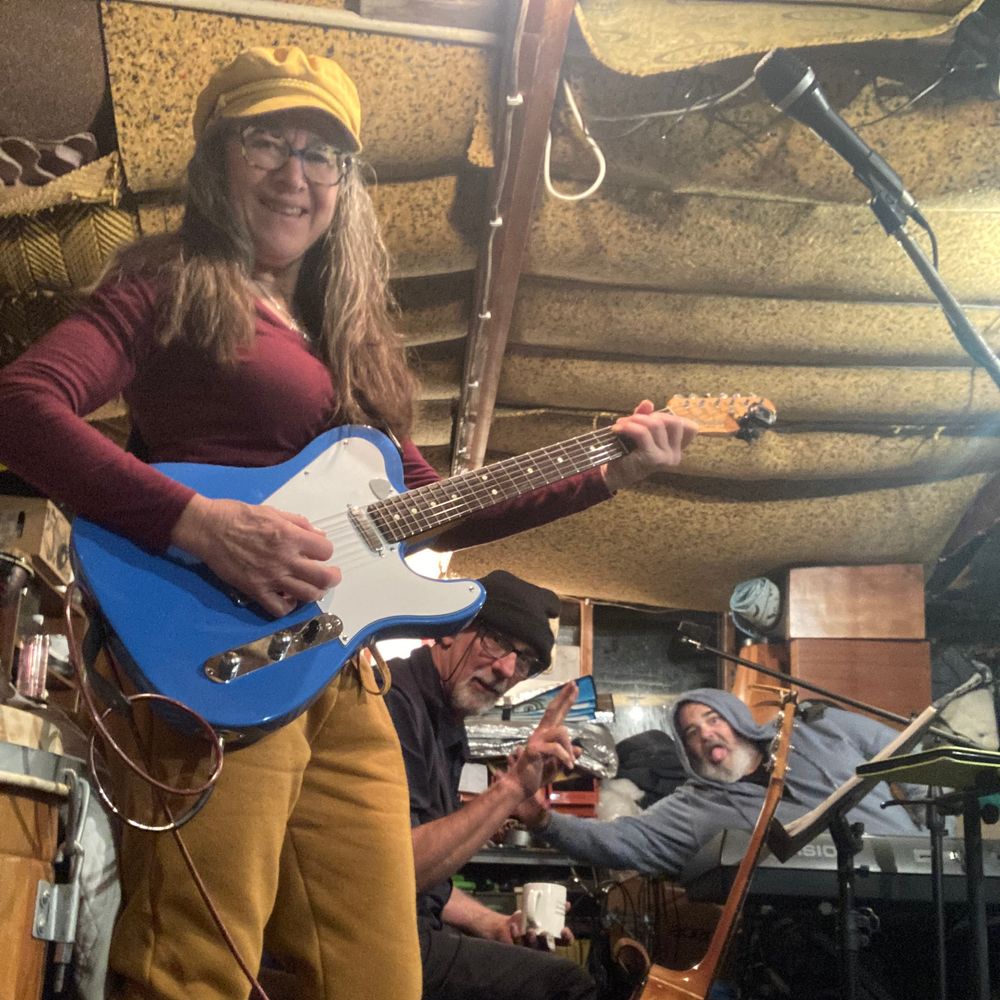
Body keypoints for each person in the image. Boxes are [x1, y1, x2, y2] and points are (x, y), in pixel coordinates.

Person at [0, 45, 696, 1000]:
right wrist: (198, 523)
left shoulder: (347, 335)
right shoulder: (167, 280)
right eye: (267, 143)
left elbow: (448, 500)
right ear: (218, 160)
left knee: (379, 976)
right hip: (215, 664)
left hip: (346, 678)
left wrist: (608, 470)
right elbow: (23, 401)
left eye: (321, 153)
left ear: (346, 181)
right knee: (192, 965)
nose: (296, 175)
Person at [384, 569, 596, 1000]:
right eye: (495, 639)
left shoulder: (446, 722)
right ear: (448, 630)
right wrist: (513, 789)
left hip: (407, 930)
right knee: (567, 985)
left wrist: (492, 924)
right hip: (373, 944)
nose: (506, 669)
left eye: (526, 661)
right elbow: (396, 872)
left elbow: (429, 885)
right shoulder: (392, 700)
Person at [517, 688, 924, 879]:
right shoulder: (690, 808)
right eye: (692, 731)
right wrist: (543, 821)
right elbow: (618, 840)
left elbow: (912, 756)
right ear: (685, 748)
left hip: (923, 874)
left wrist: (931, 828)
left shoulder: (817, 726)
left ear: (738, 720)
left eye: (714, 719)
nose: (706, 734)